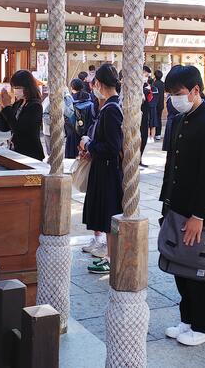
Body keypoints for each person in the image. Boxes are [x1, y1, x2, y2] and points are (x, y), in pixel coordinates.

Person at [159, 65, 205, 346]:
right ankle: (187, 319)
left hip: (199, 211)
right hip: (176, 205)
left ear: (196, 90)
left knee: (198, 269)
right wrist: (165, 203)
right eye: (171, 94)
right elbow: (171, 166)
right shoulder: (180, 120)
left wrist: (199, 215)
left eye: (178, 93)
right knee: (179, 265)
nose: (174, 99)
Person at [79, 64, 123, 273]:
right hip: (102, 167)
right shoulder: (108, 106)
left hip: (108, 170)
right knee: (106, 214)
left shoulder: (112, 109)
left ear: (99, 83)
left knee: (110, 214)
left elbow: (113, 147)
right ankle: (109, 256)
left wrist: (89, 144)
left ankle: (111, 259)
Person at [0, 70, 45, 161]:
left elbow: (20, 131)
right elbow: (4, 128)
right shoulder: (18, 103)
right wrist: (2, 109)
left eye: (18, 87)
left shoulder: (35, 105)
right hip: (16, 151)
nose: (15, 90)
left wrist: (7, 108)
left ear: (28, 87)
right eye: (14, 87)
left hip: (31, 153)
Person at [65, 79, 90, 159]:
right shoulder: (89, 96)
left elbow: (68, 115)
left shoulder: (70, 99)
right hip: (86, 131)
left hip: (73, 131)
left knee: (72, 156)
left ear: (72, 88)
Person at [140, 66, 153, 167]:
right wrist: (145, 90)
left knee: (144, 137)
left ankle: (140, 158)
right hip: (138, 115)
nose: (147, 78)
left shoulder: (147, 85)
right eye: (146, 75)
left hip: (145, 115)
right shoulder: (137, 85)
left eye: (148, 76)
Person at [154, 70, 166, 141]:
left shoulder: (154, 84)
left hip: (154, 104)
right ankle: (158, 134)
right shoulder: (163, 84)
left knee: (153, 118)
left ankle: (151, 134)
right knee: (159, 118)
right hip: (161, 104)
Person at [147, 77, 160, 143]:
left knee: (148, 123)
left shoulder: (146, 89)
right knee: (153, 124)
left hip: (148, 108)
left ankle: (148, 137)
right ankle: (152, 138)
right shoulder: (156, 89)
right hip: (154, 107)